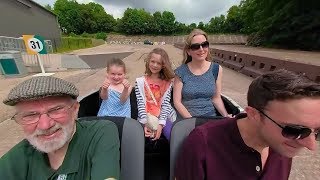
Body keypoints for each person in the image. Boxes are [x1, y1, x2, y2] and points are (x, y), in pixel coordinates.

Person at [175, 69, 320, 180]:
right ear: (253, 115)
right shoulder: (203, 143)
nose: (311, 146)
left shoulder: (284, 145)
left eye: (317, 131)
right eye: (296, 130)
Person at [0, 76, 120, 180]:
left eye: (56, 110)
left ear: (75, 110)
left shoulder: (100, 133)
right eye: (30, 115)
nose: (45, 125)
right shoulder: (18, 156)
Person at [173, 28, 230, 119]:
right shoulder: (180, 72)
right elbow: (177, 102)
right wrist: (192, 121)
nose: (201, 49)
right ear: (188, 51)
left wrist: (226, 116)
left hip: (210, 118)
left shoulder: (216, 69)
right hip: (187, 119)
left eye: (204, 45)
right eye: (196, 46)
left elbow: (216, 98)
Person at [135, 48, 176, 140]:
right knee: (142, 137)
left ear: (163, 66)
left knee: (172, 135)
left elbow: (165, 105)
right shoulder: (140, 82)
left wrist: (161, 125)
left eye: (159, 63)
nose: (154, 65)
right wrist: (145, 123)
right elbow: (141, 103)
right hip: (146, 116)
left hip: (163, 116)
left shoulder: (167, 83)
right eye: (152, 61)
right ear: (148, 61)